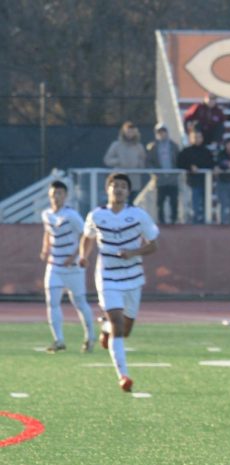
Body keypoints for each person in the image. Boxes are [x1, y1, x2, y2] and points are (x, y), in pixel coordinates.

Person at [78, 173, 159, 392]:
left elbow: (153, 245)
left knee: (125, 330)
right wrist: (83, 255)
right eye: (115, 186)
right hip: (107, 277)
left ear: (128, 192)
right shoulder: (96, 215)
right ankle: (123, 375)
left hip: (133, 278)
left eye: (123, 186)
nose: (119, 189)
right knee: (117, 323)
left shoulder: (139, 215)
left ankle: (105, 329)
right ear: (108, 190)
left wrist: (133, 252)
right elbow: (88, 237)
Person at [40, 181, 94, 353]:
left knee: (79, 302)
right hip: (54, 266)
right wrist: (45, 249)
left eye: (60, 193)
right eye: (54, 193)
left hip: (73, 267)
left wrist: (74, 256)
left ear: (66, 195)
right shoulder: (46, 214)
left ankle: (89, 337)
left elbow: (85, 235)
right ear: (49, 195)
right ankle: (59, 340)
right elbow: (48, 232)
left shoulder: (72, 216)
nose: (56, 197)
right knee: (52, 302)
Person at [176, 128, 215, 223]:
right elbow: (179, 163)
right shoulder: (186, 151)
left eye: (199, 137)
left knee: (206, 204)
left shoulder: (207, 151)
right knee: (194, 204)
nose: (197, 139)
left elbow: (211, 164)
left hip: (205, 183)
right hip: (191, 183)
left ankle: (206, 221)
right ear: (190, 138)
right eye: (195, 137)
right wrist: (190, 167)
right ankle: (194, 223)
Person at [103, 121, 146, 203]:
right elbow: (107, 159)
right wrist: (119, 161)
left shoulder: (139, 146)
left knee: (131, 204)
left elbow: (143, 161)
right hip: (119, 180)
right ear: (124, 132)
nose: (130, 134)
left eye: (132, 131)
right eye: (128, 131)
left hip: (134, 181)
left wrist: (137, 163)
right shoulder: (116, 145)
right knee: (118, 202)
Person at [146, 124, 180, 224]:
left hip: (172, 179)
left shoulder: (174, 146)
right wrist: (155, 173)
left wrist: (176, 172)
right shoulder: (152, 147)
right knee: (160, 201)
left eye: (164, 132)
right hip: (160, 179)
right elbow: (149, 162)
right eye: (159, 132)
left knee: (174, 201)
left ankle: (174, 219)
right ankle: (161, 221)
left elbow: (178, 160)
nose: (162, 134)